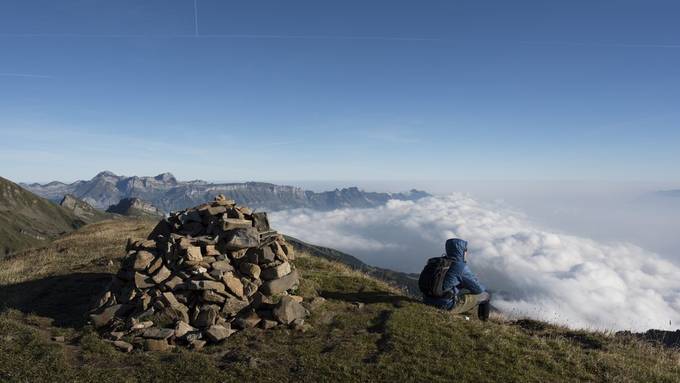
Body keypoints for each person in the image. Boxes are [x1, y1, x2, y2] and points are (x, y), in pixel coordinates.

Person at [422, 238, 491, 320]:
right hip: (446, 306)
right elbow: (478, 290)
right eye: (466, 250)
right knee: (486, 295)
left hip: (427, 300)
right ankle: (483, 321)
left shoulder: (439, 262)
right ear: (462, 251)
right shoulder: (461, 267)